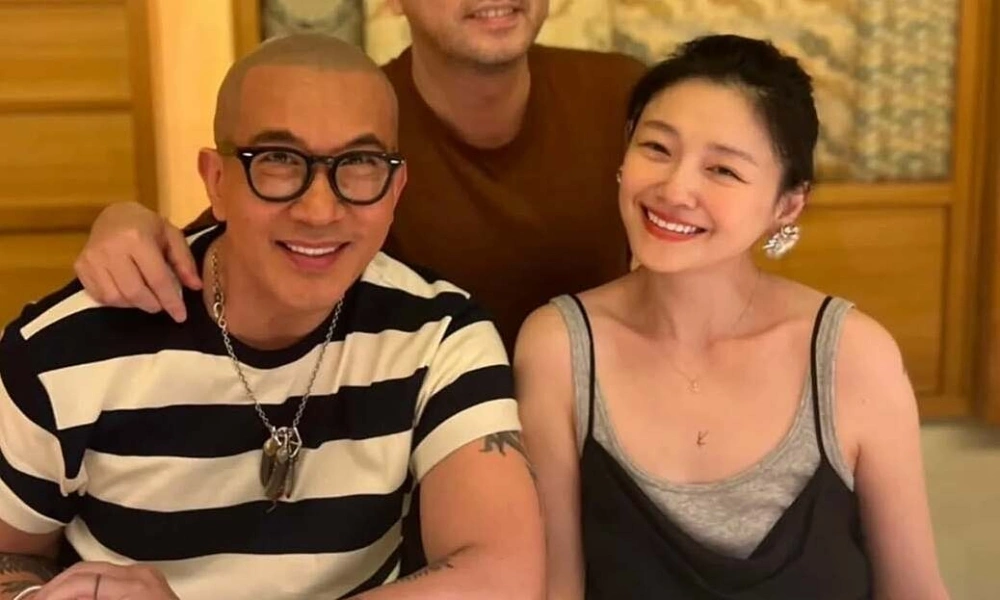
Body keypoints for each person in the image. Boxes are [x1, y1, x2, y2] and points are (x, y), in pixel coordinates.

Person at [0, 34, 543, 600]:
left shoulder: (441, 335)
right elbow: (10, 550)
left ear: (396, 188)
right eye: (280, 161)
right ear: (217, 181)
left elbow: (500, 574)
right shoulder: (64, 349)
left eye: (359, 164)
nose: (319, 210)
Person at [514, 35, 950, 599]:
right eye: (657, 148)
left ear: (787, 204)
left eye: (722, 170)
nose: (676, 189)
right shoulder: (558, 346)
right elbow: (556, 589)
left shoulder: (852, 355)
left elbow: (914, 590)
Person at [73, 0, 647, 350]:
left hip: (596, 433)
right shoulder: (354, 128)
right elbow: (230, 236)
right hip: (406, 439)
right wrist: (127, 224)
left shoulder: (625, 97)